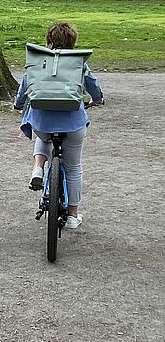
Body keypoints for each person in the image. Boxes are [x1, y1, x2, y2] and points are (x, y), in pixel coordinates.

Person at [14, 21, 103, 230]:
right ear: (73, 42)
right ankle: (72, 216)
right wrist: (97, 99)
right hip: (73, 122)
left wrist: (18, 105)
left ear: (49, 41)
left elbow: (25, 86)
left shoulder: (38, 61)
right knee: (73, 168)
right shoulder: (79, 62)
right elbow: (93, 85)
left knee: (43, 137)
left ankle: (38, 168)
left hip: (43, 121)